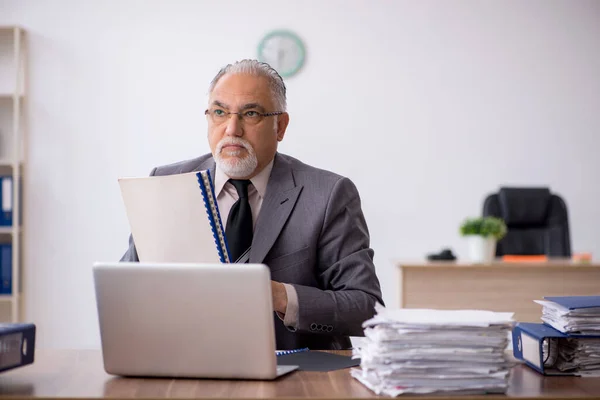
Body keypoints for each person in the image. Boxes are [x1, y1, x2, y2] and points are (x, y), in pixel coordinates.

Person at [121, 59, 383, 350]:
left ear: (280, 126)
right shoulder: (165, 183)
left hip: (296, 377)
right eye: (220, 113)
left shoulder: (328, 194)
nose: (232, 129)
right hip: (185, 363)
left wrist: (280, 296)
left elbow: (365, 308)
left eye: (250, 113)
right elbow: (124, 289)